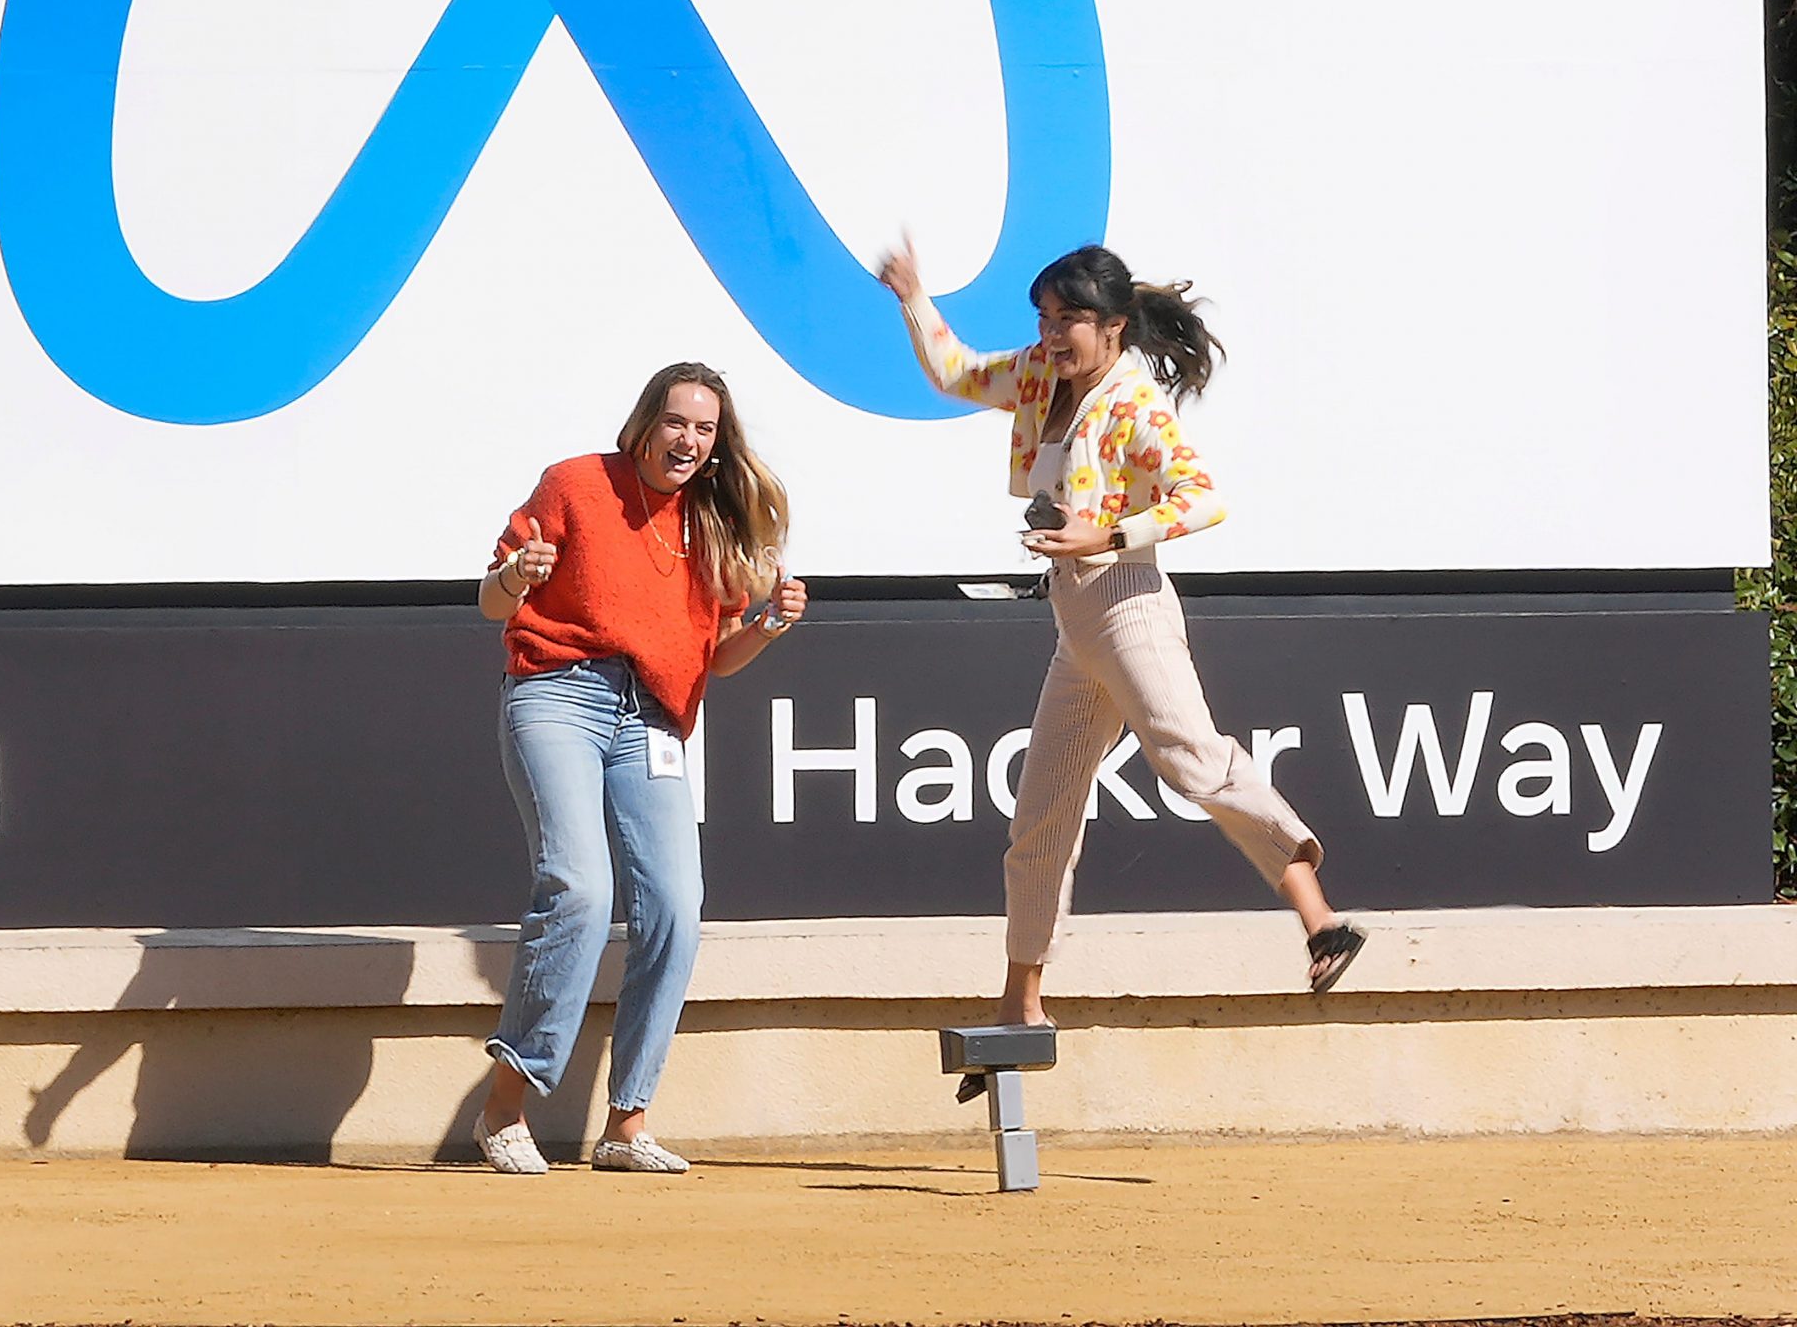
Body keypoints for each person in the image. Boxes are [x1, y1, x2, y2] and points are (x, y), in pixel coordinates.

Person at [876, 238, 1364, 1080]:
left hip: (1129, 604)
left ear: (1114, 327)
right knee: (1042, 815)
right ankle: (1020, 1006)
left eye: (1071, 321)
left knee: (1190, 760)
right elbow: (953, 373)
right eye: (1046, 318)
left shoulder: (1135, 403)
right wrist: (915, 297)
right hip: (1078, 622)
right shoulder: (1036, 375)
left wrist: (1106, 533)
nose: (1054, 335)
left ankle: (1320, 918)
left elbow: (1202, 499)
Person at [470, 362, 809, 1175]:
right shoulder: (577, 484)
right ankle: (504, 1107)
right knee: (580, 889)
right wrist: (517, 577)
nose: (689, 440)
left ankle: (627, 1124)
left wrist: (763, 625)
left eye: (705, 428)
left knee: (675, 906)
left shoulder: (712, 524)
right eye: (677, 422)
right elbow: (491, 601)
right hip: (558, 694)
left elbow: (718, 660)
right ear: (645, 423)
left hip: (651, 719)